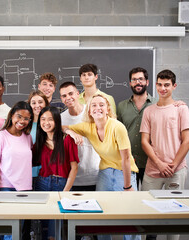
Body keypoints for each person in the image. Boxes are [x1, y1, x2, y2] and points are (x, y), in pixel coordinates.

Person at [64, 94, 140, 240]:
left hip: (124, 172)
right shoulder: (88, 127)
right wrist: (71, 132)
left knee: (128, 213)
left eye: (101, 105)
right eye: (94, 105)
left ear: (107, 109)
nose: (97, 108)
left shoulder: (117, 127)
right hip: (105, 172)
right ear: (89, 111)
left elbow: (125, 159)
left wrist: (127, 186)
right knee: (100, 211)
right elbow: (62, 127)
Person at [140, 70, 189, 240]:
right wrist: (159, 164)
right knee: (149, 211)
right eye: (160, 84)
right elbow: (145, 142)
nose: (163, 88)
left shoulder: (181, 109)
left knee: (175, 212)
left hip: (176, 170)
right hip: (153, 170)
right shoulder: (149, 111)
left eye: (167, 85)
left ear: (174, 86)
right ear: (155, 85)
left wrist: (173, 165)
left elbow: (187, 141)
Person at [33, 106, 79, 240]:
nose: (46, 123)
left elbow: (74, 168)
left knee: (54, 228)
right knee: (43, 224)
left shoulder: (67, 139)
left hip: (61, 184)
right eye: (43, 119)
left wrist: (65, 192)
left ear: (57, 121)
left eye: (50, 119)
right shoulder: (40, 141)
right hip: (42, 183)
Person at [117, 67, 156, 189]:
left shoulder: (157, 104)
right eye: (134, 80)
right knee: (129, 197)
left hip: (151, 161)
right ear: (130, 83)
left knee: (148, 198)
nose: (138, 82)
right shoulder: (122, 106)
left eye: (141, 79)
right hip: (128, 161)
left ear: (147, 82)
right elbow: (118, 133)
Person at [59, 81, 100, 191]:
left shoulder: (92, 111)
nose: (68, 97)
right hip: (72, 177)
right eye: (64, 95)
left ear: (78, 94)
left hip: (94, 174)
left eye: (71, 93)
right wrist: (68, 131)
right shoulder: (61, 118)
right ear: (61, 99)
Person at [0, 101, 33, 192]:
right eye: (19, 116)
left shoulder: (28, 137)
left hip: (26, 188)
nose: (22, 121)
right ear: (12, 115)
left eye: (26, 118)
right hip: (6, 187)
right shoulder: (0, 136)